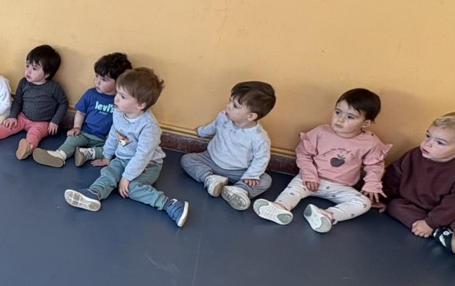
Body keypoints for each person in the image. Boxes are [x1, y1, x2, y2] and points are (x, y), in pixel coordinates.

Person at [63, 68, 189, 227]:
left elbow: (142, 156)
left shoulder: (149, 127)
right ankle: (94, 193)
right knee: (108, 172)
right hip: (123, 158)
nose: (116, 98)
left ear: (140, 104)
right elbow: (114, 133)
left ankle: (169, 204)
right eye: (117, 93)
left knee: (131, 189)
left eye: (122, 96)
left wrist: (127, 177)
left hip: (148, 165)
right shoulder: (118, 111)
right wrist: (107, 156)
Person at [252, 88, 390, 232]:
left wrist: (372, 185)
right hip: (311, 180)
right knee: (294, 189)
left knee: (364, 203)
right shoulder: (320, 132)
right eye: (338, 112)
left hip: (341, 187)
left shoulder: (370, 142)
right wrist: (309, 175)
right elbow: (303, 154)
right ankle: (280, 207)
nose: (340, 119)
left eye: (350, 117)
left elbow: (375, 165)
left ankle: (326, 215)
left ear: (365, 123)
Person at [382, 111, 455, 280]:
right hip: (422, 203)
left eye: (440, 142)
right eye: (428, 136)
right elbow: (394, 175)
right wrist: (383, 198)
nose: (427, 144)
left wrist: (430, 222)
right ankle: (442, 235)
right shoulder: (414, 155)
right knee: (395, 205)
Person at [180, 80, 275, 211]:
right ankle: (210, 179)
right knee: (187, 159)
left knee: (265, 180)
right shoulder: (223, 117)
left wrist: (251, 175)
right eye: (230, 101)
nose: (227, 106)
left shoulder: (259, 137)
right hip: (211, 159)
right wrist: (202, 131)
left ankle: (239, 190)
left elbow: (261, 158)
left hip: (238, 171)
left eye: (235, 106)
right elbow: (214, 126)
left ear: (251, 116)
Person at [33, 52, 131, 168]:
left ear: (119, 82)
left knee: (115, 148)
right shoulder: (91, 94)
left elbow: (124, 123)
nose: (97, 82)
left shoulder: (120, 101)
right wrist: (77, 127)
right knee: (72, 139)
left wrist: (113, 137)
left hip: (105, 139)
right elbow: (80, 112)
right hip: (84, 133)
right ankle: (60, 155)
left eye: (104, 79)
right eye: (96, 76)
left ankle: (87, 153)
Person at [0, 44, 68, 160]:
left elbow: (63, 103)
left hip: (42, 123)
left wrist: (55, 121)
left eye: (34, 69)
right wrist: (13, 116)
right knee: (8, 126)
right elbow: (17, 100)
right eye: (27, 66)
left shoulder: (54, 87)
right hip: (23, 117)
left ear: (47, 74)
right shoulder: (24, 82)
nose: (28, 71)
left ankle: (28, 147)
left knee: (35, 134)